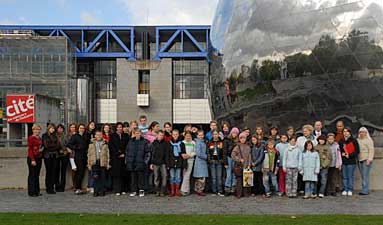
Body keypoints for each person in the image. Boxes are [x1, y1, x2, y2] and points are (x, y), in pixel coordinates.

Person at [125, 128, 150, 197]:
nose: (137, 134)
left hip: (141, 163)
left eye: (139, 133)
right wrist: (127, 160)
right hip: (132, 163)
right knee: (133, 178)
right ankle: (134, 191)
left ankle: (141, 191)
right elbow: (127, 151)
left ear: (141, 133)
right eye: (136, 133)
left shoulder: (144, 142)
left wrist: (145, 162)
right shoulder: (130, 142)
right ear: (134, 133)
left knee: (141, 178)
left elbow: (147, 153)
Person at [67, 124, 89, 195]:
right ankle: (77, 188)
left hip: (84, 157)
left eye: (83, 128)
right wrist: (76, 147)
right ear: (78, 129)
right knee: (78, 173)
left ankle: (79, 188)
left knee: (82, 173)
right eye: (80, 128)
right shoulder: (75, 136)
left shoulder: (86, 136)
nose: (82, 129)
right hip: (78, 157)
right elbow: (69, 144)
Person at [87, 130, 110, 197]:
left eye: (100, 135)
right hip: (94, 162)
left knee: (103, 177)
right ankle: (96, 191)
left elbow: (108, 154)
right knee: (95, 177)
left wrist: (108, 163)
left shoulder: (105, 143)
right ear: (95, 136)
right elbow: (89, 154)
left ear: (102, 135)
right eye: (97, 135)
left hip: (102, 162)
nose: (99, 136)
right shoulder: (91, 144)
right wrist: (89, 164)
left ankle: (102, 191)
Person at [109, 122, 129, 196]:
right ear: (116, 128)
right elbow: (111, 146)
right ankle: (117, 189)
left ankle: (123, 189)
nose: (120, 128)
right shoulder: (112, 136)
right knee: (116, 174)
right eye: (118, 127)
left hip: (124, 157)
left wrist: (124, 153)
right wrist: (118, 153)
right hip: (115, 158)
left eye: (121, 127)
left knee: (123, 174)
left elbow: (128, 146)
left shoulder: (126, 135)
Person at [339, 127, 359, 196]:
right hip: (344, 161)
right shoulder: (341, 141)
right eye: (344, 131)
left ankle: (350, 189)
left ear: (350, 133)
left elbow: (357, 151)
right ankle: (345, 189)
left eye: (347, 131)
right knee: (344, 176)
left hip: (351, 161)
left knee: (350, 176)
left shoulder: (354, 141)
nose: (345, 133)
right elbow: (339, 150)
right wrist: (342, 154)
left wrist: (349, 155)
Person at [231, 132, 252, 198]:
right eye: (241, 138)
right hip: (239, 166)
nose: (243, 139)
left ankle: (246, 193)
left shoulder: (248, 147)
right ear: (239, 139)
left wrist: (249, 165)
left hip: (246, 166)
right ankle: (239, 194)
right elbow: (233, 155)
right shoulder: (237, 147)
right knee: (239, 181)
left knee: (246, 180)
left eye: (244, 138)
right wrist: (239, 159)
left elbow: (249, 157)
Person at [166, 129, 186, 197]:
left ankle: (177, 190)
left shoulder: (181, 144)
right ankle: (172, 191)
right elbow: (167, 155)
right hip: (171, 163)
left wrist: (184, 164)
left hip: (179, 163)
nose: (175, 136)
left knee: (178, 177)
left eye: (176, 134)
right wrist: (167, 164)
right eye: (174, 134)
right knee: (172, 177)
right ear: (172, 135)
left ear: (178, 135)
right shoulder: (169, 143)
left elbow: (183, 154)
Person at [150, 130, 170, 196]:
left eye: (162, 135)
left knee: (164, 176)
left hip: (163, 163)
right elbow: (152, 154)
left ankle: (162, 191)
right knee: (156, 177)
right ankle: (157, 190)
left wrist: (167, 164)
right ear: (157, 135)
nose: (161, 136)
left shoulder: (166, 143)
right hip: (155, 163)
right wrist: (151, 163)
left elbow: (167, 154)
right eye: (160, 135)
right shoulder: (153, 143)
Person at [42, 124, 60, 194]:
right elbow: (46, 146)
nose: (52, 129)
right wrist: (54, 146)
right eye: (51, 128)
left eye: (53, 128)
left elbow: (58, 145)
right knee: (48, 172)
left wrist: (53, 146)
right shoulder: (45, 135)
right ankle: (48, 188)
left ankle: (52, 187)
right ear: (48, 128)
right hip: (47, 156)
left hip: (55, 156)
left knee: (53, 172)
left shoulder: (55, 135)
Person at [357, 127, 374, 195]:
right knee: (363, 175)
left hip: (366, 160)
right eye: (360, 132)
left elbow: (371, 150)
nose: (362, 133)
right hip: (359, 160)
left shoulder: (369, 140)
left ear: (366, 133)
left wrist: (369, 159)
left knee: (365, 175)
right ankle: (364, 188)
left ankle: (365, 190)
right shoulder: (357, 140)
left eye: (363, 132)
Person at [207, 130, 225, 196]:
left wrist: (222, 160)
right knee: (213, 177)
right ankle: (214, 191)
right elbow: (208, 152)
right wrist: (209, 160)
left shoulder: (221, 142)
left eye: (216, 134)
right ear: (212, 135)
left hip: (219, 161)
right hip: (212, 161)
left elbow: (223, 152)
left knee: (219, 177)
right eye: (214, 134)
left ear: (218, 135)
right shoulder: (209, 142)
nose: (215, 135)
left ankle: (220, 191)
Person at [27, 124, 43, 197]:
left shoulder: (39, 138)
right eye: (36, 129)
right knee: (32, 175)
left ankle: (37, 191)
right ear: (33, 130)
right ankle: (32, 192)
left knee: (37, 175)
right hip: (32, 158)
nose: (37, 131)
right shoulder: (31, 138)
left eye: (39, 129)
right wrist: (32, 160)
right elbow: (30, 150)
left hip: (38, 158)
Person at [223, 127, 239, 196]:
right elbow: (224, 152)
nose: (234, 134)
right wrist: (225, 162)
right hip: (229, 158)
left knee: (234, 173)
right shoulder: (226, 140)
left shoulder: (238, 141)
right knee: (229, 174)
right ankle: (227, 188)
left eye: (236, 133)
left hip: (235, 158)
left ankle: (233, 188)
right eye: (233, 132)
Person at [193, 130, 209, 196]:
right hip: (200, 161)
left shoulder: (202, 142)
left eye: (202, 135)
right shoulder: (198, 142)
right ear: (197, 136)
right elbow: (198, 153)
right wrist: (206, 156)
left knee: (201, 176)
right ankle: (199, 190)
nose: (201, 136)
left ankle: (199, 189)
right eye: (199, 135)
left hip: (202, 161)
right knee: (201, 177)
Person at [180, 131, 196, 196]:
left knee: (187, 175)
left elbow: (195, 151)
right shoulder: (182, 142)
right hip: (184, 160)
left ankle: (183, 190)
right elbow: (181, 151)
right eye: (187, 136)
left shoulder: (193, 143)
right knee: (185, 175)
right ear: (185, 136)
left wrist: (190, 155)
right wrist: (184, 155)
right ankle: (187, 189)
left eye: (189, 136)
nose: (188, 137)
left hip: (190, 160)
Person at [55, 124, 69, 192]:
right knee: (56, 171)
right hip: (57, 155)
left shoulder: (66, 136)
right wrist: (59, 150)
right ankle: (57, 186)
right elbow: (54, 145)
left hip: (64, 155)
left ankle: (62, 187)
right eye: (58, 128)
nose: (60, 129)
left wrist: (65, 150)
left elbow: (68, 144)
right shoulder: (54, 136)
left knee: (63, 172)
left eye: (61, 128)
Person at [66, 123, 77, 189]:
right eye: (71, 127)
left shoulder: (77, 135)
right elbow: (66, 144)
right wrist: (67, 148)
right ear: (69, 128)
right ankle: (74, 184)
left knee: (77, 170)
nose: (73, 128)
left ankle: (76, 184)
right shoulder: (67, 136)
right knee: (73, 169)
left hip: (77, 154)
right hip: (71, 155)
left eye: (74, 127)